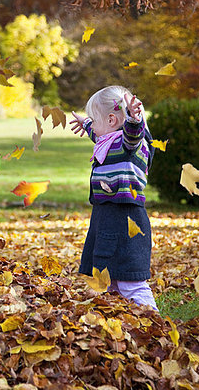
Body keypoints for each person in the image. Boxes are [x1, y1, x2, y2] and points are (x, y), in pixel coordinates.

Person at [70, 85, 158, 311]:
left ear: (111, 120)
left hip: (126, 219)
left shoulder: (130, 144)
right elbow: (99, 133)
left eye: (95, 120)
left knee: (131, 282)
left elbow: (132, 134)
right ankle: (118, 320)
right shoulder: (108, 140)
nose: (93, 128)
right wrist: (86, 124)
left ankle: (153, 320)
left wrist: (134, 119)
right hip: (106, 217)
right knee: (109, 279)